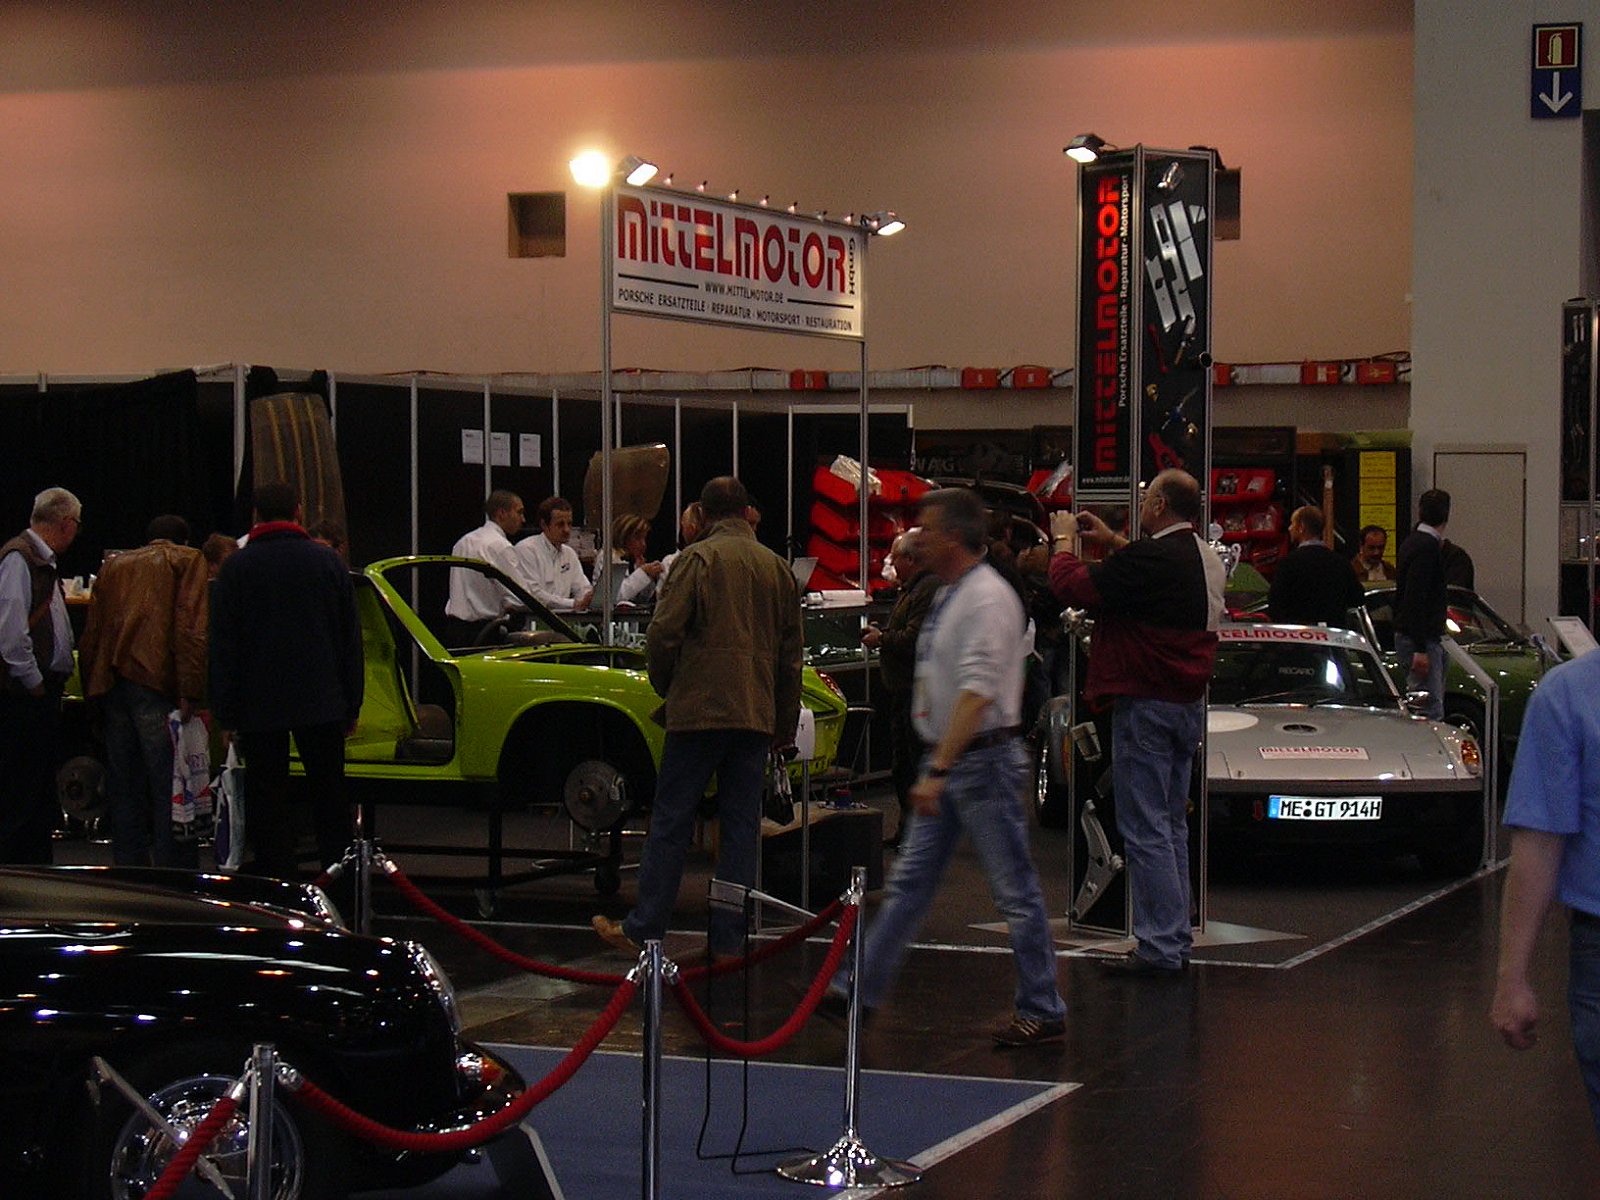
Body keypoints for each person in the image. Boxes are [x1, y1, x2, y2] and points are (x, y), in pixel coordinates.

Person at [827, 487, 1066, 1046]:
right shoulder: (956, 593)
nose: (918, 539)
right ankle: (858, 991)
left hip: (981, 762)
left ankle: (1043, 1006)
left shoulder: (985, 599)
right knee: (910, 884)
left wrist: (937, 769)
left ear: (955, 536)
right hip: (961, 758)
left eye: (929, 530)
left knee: (1014, 891)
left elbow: (977, 693)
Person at [592, 476, 803, 961]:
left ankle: (646, 927)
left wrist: (669, 685)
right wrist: (783, 724)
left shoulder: (696, 560)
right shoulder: (777, 568)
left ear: (703, 515)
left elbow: (663, 634)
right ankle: (729, 937)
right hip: (755, 714)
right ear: (746, 513)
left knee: (672, 820)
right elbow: (791, 657)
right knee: (740, 829)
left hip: (698, 712)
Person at [1048, 469, 1224, 975]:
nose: (1142, 504)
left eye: (1147, 498)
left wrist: (1064, 541)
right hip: (1186, 707)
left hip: (1146, 704)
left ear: (1161, 505)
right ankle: (1175, 937)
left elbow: (1070, 584)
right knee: (1170, 827)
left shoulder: (1150, 560)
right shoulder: (1206, 558)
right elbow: (1153, 572)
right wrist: (1112, 541)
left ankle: (1160, 947)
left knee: (1145, 830)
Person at [209, 483, 363, 878]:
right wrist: (352, 703)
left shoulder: (236, 568)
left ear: (256, 515)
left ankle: (278, 883)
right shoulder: (328, 563)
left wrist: (226, 712)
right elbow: (349, 640)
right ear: (298, 511)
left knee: (268, 800)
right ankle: (338, 882)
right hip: (322, 699)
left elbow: (223, 646)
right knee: (330, 796)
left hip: (258, 703)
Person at [1491, 647, 1600, 1139]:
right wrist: (1511, 978)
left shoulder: (1568, 694)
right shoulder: (1567, 696)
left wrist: (1513, 979)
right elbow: (1537, 842)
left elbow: (1539, 842)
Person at [76, 514, 209, 868]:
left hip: (113, 681)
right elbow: (191, 629)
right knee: (170, 784)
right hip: (158, 682)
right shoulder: (187, 559)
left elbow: (92, 633)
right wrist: (191, 688)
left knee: (124, 783)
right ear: (184, 540)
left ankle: (129, 867)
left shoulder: (113, 565)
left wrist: (92, 690)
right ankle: (172, 871)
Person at [0, 487, 82, 864]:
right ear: (66, 523)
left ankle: (35, 864)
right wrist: (34, 683)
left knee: (34, 789)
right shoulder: (20, 559)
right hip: (24, 695)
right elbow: (11, 634)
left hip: (39, 691)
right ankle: (18, 872)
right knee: (21, 788)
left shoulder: (38, 561)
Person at [863, 528, 940, 846]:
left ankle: (918, 835)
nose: (891, 564)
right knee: (904, 763)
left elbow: (915, 639)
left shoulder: (926, 589)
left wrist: (882, 638)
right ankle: (910, 831)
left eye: (895, 558)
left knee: (912, 763)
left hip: (914, 690)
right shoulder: (914, 589)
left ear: (910, 559)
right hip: (904, 689)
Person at [444, 490, 531, 645]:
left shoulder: (463, 542)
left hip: (454, 631)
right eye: (519, 512)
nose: (523, 519)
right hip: (484, 634)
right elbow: (520, 598)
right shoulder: (500, 546)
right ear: (502, 513)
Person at [1394, 488, 1451, 721]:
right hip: (1421, 640)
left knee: (1422, 704)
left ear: (1420, 511)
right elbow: (1416, 597)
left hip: (1413, 637)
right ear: (1447, 514)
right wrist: (1420, 648)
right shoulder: (1427, 547)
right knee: (1428, 710)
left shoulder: (1412, 542)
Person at [1268, 505, 1365, 628]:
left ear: (1301, 527)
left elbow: (1275, 604)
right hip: (1333, 633)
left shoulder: (1288, 563)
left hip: (1300, 634)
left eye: (1292, 524)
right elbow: (1357, 598)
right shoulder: (1340, 562)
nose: (1289, 528)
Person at [514, 496, 593, 612]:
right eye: (560, 524)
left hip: (566, 618)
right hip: (535, 618)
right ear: (544, 525)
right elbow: (533, 594)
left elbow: (582, 588)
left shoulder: (569, 553)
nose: (567, 530)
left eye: (569, 524)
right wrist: (572, 603)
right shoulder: (526, 549)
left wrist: (589, 598)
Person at [610, 513, 664, 607]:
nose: (643, 544)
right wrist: (642, 573)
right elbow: (615, 596)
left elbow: (642, 599)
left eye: (644, 538)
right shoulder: (609, 556)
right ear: (624, 538)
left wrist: (649, 576)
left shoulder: (634, 560)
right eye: (638, 538)